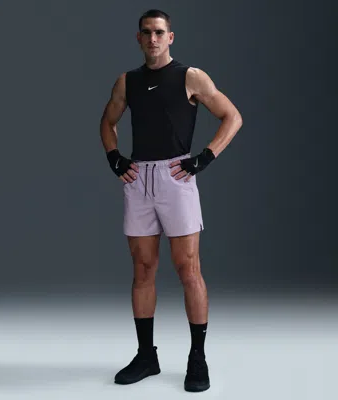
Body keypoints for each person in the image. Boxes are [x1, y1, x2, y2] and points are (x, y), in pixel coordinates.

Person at [100, 9, 243, 393]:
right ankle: (147, 356)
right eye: (146, 32)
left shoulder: (190, 76)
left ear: (170, 37)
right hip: (138, 179)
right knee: (143, 268)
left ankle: (197, 358)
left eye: (159, 32)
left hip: (176, 178)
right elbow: (107, 122)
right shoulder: (127, 81)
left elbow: (232, 116)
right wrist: (114, 158)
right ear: (138, 38)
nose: (153, 39)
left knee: (188, 268)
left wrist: (204, 158)